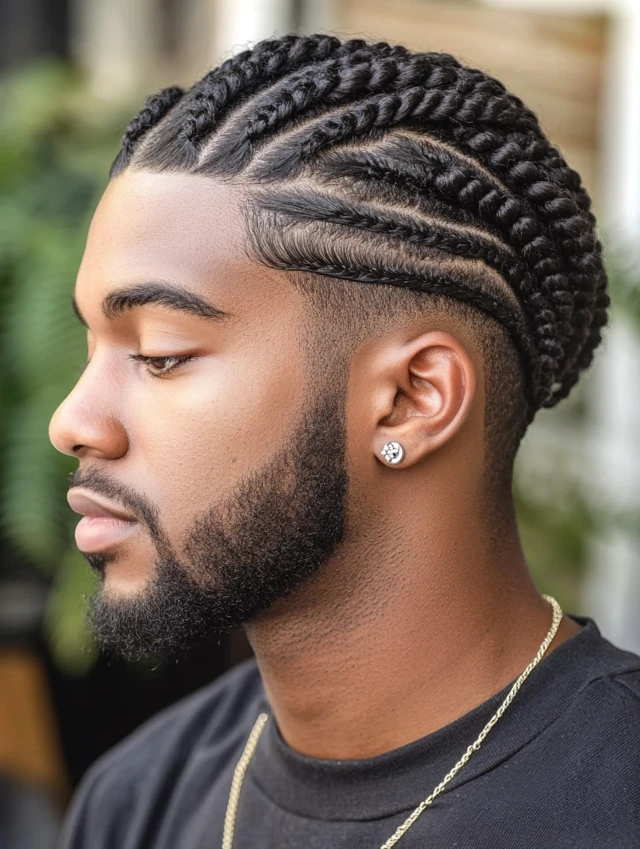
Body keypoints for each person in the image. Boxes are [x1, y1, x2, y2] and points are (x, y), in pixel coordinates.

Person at [49, 33, 640, 849]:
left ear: (410, 399)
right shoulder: (138, 799)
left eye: (160, 355)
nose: (73, 421)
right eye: (93, 349)